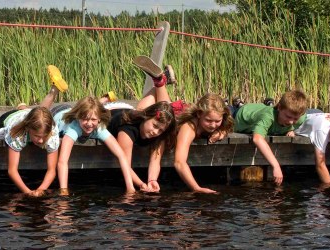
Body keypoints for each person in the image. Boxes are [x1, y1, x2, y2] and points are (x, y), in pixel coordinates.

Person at [105, 55, 177, 192]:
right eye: (155, 126)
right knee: (140, 111)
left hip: (132, 111)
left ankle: (159, 81)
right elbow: (125, 164)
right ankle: (160, 82)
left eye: (160, 130)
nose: (156, 132)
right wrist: (141, 184)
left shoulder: (159, 131)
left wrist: (152, 180)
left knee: (166, 111)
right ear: (147, 118)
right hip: (111, 109)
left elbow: (156, 159)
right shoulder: (127, 131)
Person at [0, 65, 68, 196]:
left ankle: (47, 94)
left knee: (40, 113)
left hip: (29, 114)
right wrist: (27, 192)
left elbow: (52, 170)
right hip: (11, 118)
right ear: (28, 129)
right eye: (37, 136)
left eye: (44, 137)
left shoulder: (52, 133)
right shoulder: (17, 134)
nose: (40, 140)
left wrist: (41, 189)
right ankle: (23, 108)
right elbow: (12, 171)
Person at [54, 96, 136, 195]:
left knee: (90, 109)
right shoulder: (73, 129)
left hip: (75, 110)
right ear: (78, 118)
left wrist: (130, 187)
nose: (89, 124)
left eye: (93, 119)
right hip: (57, 112)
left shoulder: (99, 128)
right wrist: (63, 190)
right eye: (85, 119)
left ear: (99, 120)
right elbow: (62, 162)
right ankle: (100, 101)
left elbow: (121, 155)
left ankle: (101, 101)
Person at [234, 90, 308, 185]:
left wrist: (291, 129)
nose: (291, 122)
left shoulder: (301, 117)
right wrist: (276, 166)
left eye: (295, 119)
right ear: (280, 108)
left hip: (261, 109)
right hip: (243, 114)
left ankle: (268, 104)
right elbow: (257, 138)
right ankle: (238, 105)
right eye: (288, 117)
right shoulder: (268, 117)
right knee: (234, 111)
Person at [174, 93, 234, 193]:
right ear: (199, 114)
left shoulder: (222, 120)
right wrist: (196, 188)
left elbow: (227, 127)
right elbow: (179, 162)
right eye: (208, 120)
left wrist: (222, 132)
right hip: (175, 112)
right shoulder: (189, 127)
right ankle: (160, 83)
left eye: (217, 121)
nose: (213, 125)